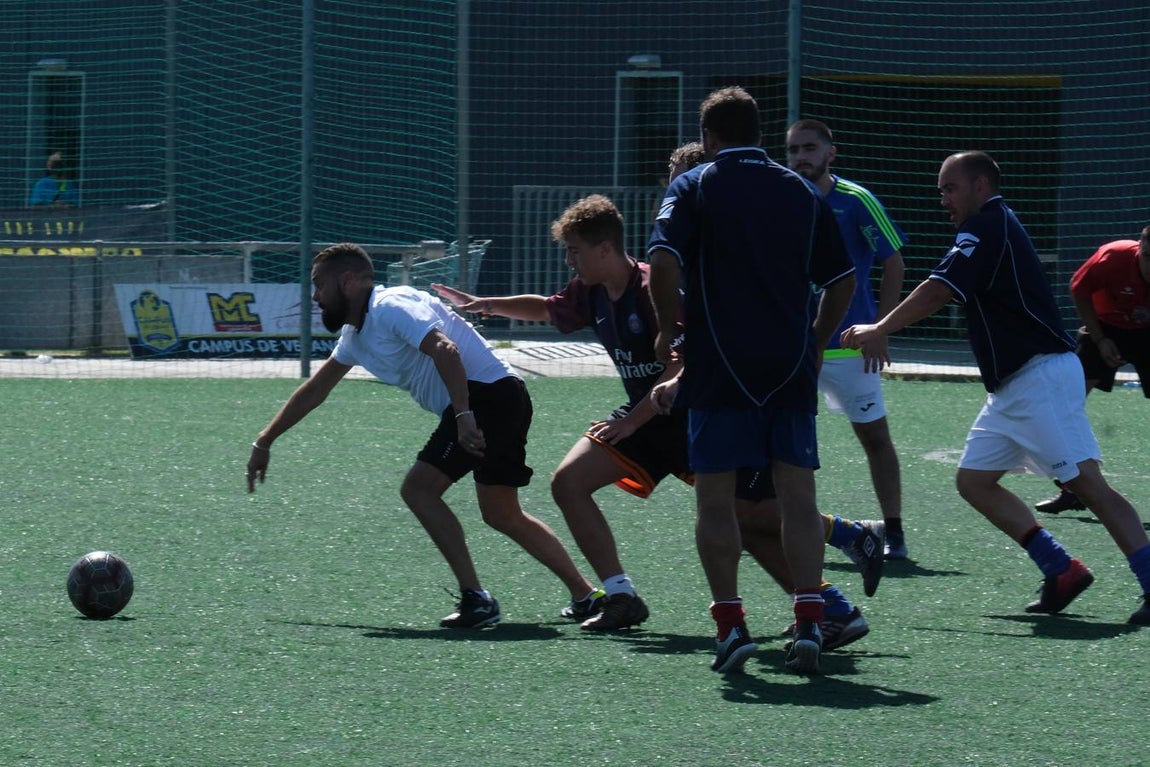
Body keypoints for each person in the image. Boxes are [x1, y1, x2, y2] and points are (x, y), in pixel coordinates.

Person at [433, 193, 880, 643]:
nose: (569, 262)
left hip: (695, 419)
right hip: (646, 420)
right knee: (568, 482)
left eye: (574, 251)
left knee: (751, 520)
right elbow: (546, 307)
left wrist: (631, 421)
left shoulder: (654, 290)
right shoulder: (590, 290)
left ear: (604, 249)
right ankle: (621, 595)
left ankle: (835, 589)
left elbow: (682, 367)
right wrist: (486, 304)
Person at [841, 151, 1150, 626]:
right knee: (974, 482)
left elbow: (939, 289)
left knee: (1088, 485)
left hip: (1040, 377)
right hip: (1014, 387)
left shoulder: (985, 225)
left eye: (950, 188)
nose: (943, 199)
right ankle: (1061, 570)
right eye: (941, 190)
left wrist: (880, 327)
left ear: (981, 186)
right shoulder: (988, 225)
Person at [246, 242, 600, 628]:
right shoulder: (355, 335)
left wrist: (464, 415)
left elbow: (445, 349)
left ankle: (476, 599)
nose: (314, 297)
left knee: (419, 490)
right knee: (502, 513)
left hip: (485, 398)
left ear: (347, 281)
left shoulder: (390, 305)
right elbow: (316, 389)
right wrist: (265, 440)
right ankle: (587, 595)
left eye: (319, 284)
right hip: (499, 398)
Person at [648, 87, 857, 674]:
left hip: (721, 365)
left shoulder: (694, 185)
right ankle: (811, 620)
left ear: (709, 138)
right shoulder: (801, 190)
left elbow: (662, 261)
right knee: (798, 498)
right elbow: (842, 279)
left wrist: (666, 330)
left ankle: (732, 628)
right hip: (789, 365)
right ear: (762, 135)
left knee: (716, 500)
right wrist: (815, 341)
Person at [785, 119, 910, 559]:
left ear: (830, 153)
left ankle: (893, 532)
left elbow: (893, 261)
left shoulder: (856, 201)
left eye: (809, 148)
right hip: (794, 347)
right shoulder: (783, 199)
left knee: (875, 439)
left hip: (849, 347)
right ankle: (778, 525)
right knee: (780, 441)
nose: (801, 157)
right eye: (793, 150)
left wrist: (882, 327)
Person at [1035, 224, 1150, 514]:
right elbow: (1079, 289)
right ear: (1139, 249)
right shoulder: (1113, 257)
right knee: (1066, 404)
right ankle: (1073, 489)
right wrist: (1100, 339)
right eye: (1148, 256)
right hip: (1106, 325)